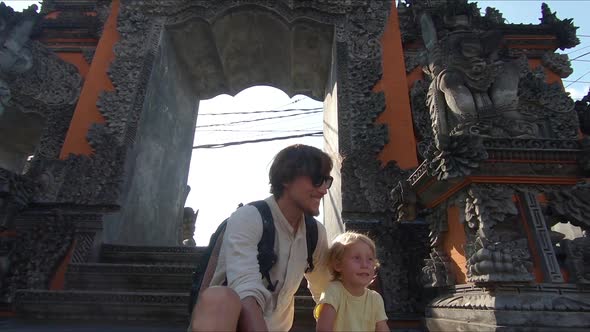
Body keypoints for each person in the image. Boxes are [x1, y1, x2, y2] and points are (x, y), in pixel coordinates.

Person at [189, 144, 333, 332]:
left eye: (326, 181)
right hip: (227, 324)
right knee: (219, 297)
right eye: (316, 180)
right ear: (287, 179)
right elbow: (245, 287)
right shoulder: (249, 217)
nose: (324, 190)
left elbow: (326, 292)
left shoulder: (315, 233)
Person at [314, 232, 389, 332]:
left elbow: (382, 329)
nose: (365, 265)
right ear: (338, 265)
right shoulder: (334, 291)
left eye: (370, 259)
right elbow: (323, 329)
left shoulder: (375, 299)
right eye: (357, 258)